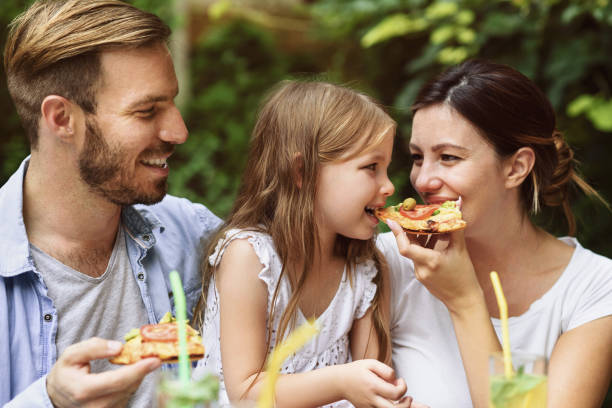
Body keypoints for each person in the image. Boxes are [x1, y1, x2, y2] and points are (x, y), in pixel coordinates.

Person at [0, 1, 221, 407]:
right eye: (147, 111)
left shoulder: (193, 233)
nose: (179, 130)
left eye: (172, 103)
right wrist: (50, 401)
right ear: (62, 119)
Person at [379, 59, 612, 407]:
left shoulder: (595, 289)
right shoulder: (388, 259)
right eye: (417, 157)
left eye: (448, 157)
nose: (423, 180)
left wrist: (464, 301)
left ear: (516, 167)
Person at [191, 80, 420, 408]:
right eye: (371, 167)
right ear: (302, 173)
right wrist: (341, 381)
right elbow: (245, 393)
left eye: (385, 169)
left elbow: (373, 386)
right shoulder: (250, 257)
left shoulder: (366, 268)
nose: (388, 186)